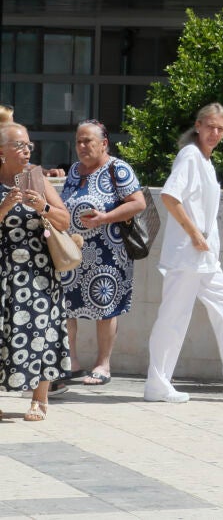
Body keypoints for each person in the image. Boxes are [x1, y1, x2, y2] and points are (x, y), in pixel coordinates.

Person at [144, 103, 223, 403]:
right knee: (174, 317)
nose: (215, 133)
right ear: (198, 126)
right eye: (210, 126)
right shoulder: (189, 155)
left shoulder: (205, 162)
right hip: (187, 255)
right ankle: (157, 384)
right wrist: (194, 233)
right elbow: (170, 196)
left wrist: (203, 241)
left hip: (203, 258)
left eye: (220, 129)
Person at [60, 119, 147, 386]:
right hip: (74, 252)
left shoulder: (117, 169)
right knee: (66, 306)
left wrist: (105, 218)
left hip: (108, 253)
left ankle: (103, 364)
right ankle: (72, 362)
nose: (82, 146)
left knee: (105, 308)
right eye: (78, 141)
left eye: (88, 141)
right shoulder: (74, 170)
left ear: (104, 143)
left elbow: (138, 203)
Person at [0, 123, 72, 420]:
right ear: (1, 152)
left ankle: (39, 400)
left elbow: (65, 221)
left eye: (28, 145)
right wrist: (4, 208)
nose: (27, 150)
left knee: (41, 332)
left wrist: (43, 206)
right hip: (4, 269)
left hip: (38, 272)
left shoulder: (36, 178)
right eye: (19, 145)